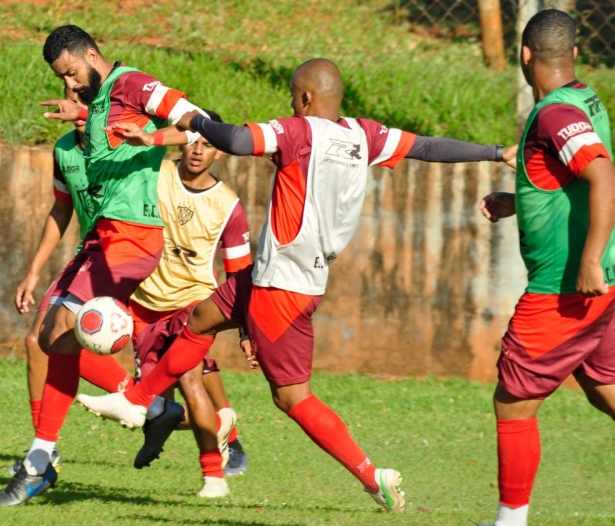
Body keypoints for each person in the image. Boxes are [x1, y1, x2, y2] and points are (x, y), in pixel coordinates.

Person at [78, 57, 516, 512]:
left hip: (280, 284)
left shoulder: (299, 131)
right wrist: (494, 150)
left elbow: (235, 139)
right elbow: (425, 146)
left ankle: (372, 477)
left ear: (305, 98)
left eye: (292, 96)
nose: (290, 103)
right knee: (200, 318)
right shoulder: (363, 135)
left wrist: (190, 117)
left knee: (292, 397)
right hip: (280, 272)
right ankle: (138, 398)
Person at [0, 24, 208, 506]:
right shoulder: (102, 103)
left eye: (71, 73)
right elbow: (94, 153)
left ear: (91, 54)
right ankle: (150, 409)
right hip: (101, 238)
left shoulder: (130, 82)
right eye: (62, 79)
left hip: (133, 236)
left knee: (63, 330)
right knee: (43, 339)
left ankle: (40, 462)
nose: (68, 82)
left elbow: (201, 120)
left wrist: (154, 139)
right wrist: (85, 112)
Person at [477, 10, 615, 526]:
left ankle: (510, 522)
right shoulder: (585, 98)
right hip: (602, 284)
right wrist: (523, 198)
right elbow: (573, 178)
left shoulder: (556, 114)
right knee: (604, 387)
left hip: (566, 287)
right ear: (575, 55)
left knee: (513, 401)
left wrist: (586, 262)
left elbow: (603, 177)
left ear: (524, 56)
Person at [7, 87, 136, 474]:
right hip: (88, 253)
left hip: (125, 254)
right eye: (69, 95)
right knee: (36, 342)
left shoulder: (121, 141)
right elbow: (61, 209)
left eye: (86, 99)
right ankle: (44, 453)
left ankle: (207, 427)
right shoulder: (64, 150)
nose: (76, 105)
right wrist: (33, 270)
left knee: (184, 364)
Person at [124, 109, 252, 497]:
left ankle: (213, 476)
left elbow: (240, 274)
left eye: (209, 144)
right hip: (144, 303)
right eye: (193, 140)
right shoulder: (154, 173)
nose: (198, 150)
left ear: (220, 153)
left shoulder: (228, 205)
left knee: (190, 377)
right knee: (152, 412)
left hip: (192, 306)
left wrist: (247, 329)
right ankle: (219, 421)